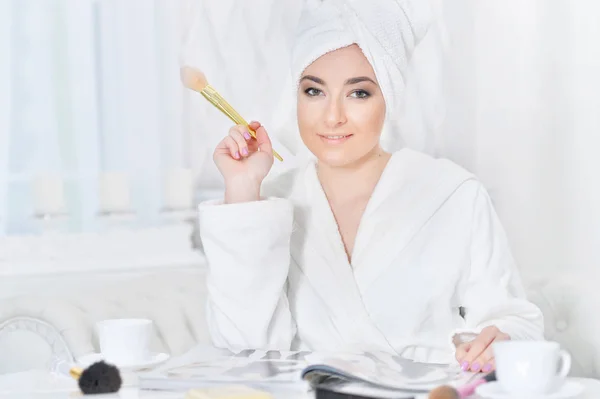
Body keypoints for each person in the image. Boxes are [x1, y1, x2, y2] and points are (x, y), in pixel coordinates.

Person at [197, 0, 544, 373]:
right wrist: (243, 190)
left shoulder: (451, 194)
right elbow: (242, 346)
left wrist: (498, 342)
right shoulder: (271, 201)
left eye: (358, 93)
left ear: (388, 97)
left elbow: (515, 323)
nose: (332, 116)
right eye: (314, 91)